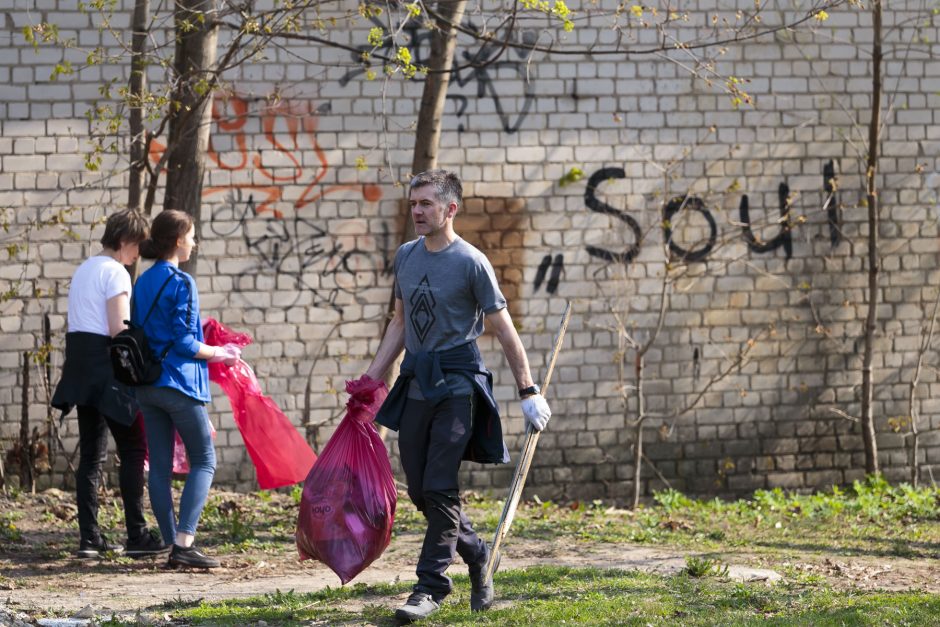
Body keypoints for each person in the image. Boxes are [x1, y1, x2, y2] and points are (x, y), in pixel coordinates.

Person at [363, 170, 552, 622]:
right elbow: (401, 323)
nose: (417, 211)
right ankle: (477, 551)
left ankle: (429, 587)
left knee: (440, 483)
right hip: (416, 380)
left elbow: (503, 328)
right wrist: (371, 379)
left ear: (451, 209)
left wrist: (528, 390)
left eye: (426, 203)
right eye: (414, 204)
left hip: (458, 381)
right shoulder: (406, 256)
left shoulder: (472, 262)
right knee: (421, 490)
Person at [51, 209, 168, 559]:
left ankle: (90, 539)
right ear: (126, 240)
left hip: (80, 366)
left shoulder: (85, 268)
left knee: (92, 456)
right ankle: (137, 535)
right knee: (134, 448)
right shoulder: (116, 272)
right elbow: (119, 328)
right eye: (137, 245)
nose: (138, 253)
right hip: (107, 368)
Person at [133, 209, 241, 569]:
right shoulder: (182, 282)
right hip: (179, 383)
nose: (194, 242)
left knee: (160, 467)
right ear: (178, 240)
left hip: (147, 386)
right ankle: (184, 543)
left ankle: (170, 543)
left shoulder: (143, 281)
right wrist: (222, 353)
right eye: (192, 236)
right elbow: (184, 343)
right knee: (205, 460)